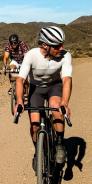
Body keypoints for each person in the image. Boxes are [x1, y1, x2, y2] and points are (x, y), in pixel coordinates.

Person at [14, 26, 72, 168]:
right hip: (36, 89)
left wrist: (65, 102)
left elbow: (66, 80)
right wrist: (20, 101)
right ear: (45, 45)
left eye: (62, 44)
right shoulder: (32, 55)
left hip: (55, 86)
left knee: (56, 108)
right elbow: (20, 79)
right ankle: (38, 153)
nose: (61, 48)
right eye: (57, 45)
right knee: (34, 124)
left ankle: (59, 145)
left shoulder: (65, 56)